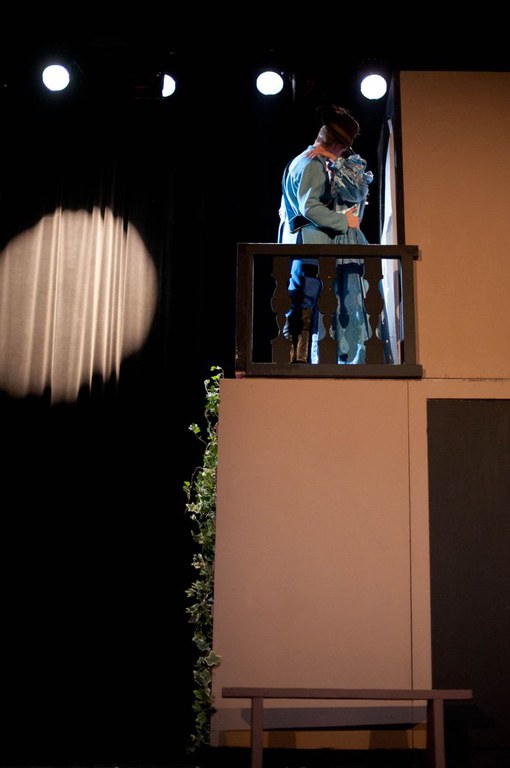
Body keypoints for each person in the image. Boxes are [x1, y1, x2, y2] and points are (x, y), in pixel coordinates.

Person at [277, 105, 368, 364]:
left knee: (303, 301)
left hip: (299, 243)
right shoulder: (312, 164)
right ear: (337, 146)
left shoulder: (299, 159)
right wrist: (343, 221)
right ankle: (296, 361)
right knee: (306, 301)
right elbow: (310, 207)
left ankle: (298, 358)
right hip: (309, 244)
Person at [307, 144, 374, 363]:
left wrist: (332, 157)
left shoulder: (353, 168)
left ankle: (354, 358)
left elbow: (356, 190)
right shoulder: (330, 174)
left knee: (350, 299)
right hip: (330, 239)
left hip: (349, 240)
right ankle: (327, 357)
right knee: (329, 300)